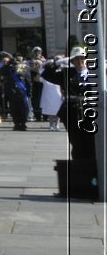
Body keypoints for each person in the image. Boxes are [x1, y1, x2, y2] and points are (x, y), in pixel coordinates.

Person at [45, 47, 96, 184]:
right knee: (77, 142)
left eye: (82, 59)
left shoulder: (96, 72)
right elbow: (46, 74)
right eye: (76, 59)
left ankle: (93, 172)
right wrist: (57, 62)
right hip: (73, 111)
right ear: (72, 61)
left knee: (92, 143)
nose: (80, 62)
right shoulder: (67, 73)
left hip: (91, 111)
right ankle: (80, 173)